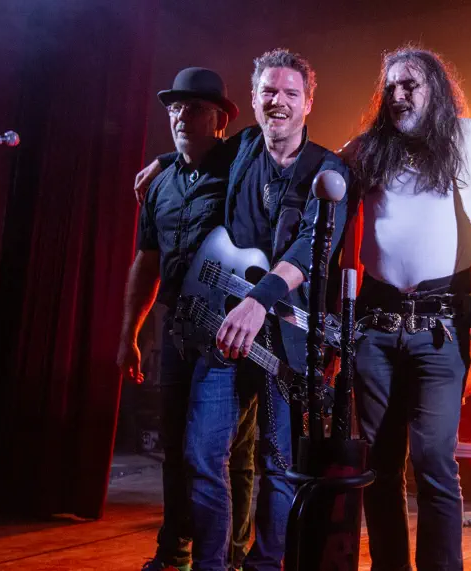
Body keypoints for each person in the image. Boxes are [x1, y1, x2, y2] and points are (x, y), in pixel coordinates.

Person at [132, 50, 350, 571]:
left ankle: (264, 565)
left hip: (286, 340)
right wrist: (164, 161)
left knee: (277, 462)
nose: (279, 101)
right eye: (269, 92)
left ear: (308, 102)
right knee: (201, 453)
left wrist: (259, 301)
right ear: (253, 100)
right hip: (227, 331)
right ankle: (211, 565)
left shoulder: (328, 170)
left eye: (290, 93)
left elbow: (310, 250)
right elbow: (196, 148)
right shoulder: (244, 147)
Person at [341, 47, 471, 571]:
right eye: (390, 86)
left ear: (436, 89)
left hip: (441, 329)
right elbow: (304, 165)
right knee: (380, 463)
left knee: (434, 458)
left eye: (410, 85)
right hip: (375, 328)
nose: (398, 95)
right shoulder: (366, 150)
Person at [119, 66, 240, 571]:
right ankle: (174, 553)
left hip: (229, 329)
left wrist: (167, 155)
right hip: (176, 330)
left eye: (194, 108)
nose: (180, 117)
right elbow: (146, 260)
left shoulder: (240, 165)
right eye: (174, 108)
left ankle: (229, 558)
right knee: (175, 445)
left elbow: (277, 143)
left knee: (221, 454)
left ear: (220, 120)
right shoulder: (161, 185)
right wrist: (130, 333)